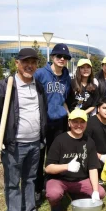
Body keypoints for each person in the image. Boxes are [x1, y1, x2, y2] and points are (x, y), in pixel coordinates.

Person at [0, 48, 47, 211]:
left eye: (33, 62)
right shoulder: (5, 86)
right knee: (12, 183)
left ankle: (29, 209)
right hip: (14, 145)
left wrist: (42, 136)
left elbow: (42, 111)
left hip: (35, 143)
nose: (30, 65)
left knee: (30, 179)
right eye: (26, 62)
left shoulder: (39, 86)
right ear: (17, 63)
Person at [45, 109, 106, 211]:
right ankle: (56, 205)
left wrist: (95, 191)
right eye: (75, 122)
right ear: (69, 123)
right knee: (53, 194)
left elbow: (93, 168)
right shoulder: (60, 140)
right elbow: (48, 168)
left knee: (101, 193)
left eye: (82, 122)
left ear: (86, 123)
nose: (79, 125)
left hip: (81, 180)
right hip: (60, 179)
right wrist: (67, 166)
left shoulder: (89, 142)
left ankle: (76, 193)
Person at [34, 43, 72, 200]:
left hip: (60, 122)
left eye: (65, 57)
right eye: (59, 56)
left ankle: (51, 185)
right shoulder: (41, 74)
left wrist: (69, 116)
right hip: (42, 122)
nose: (62, 59)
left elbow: (64, 100)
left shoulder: (66, 76)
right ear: (52, 57)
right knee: (39, 155)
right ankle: (37, 189)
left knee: (55, 156)